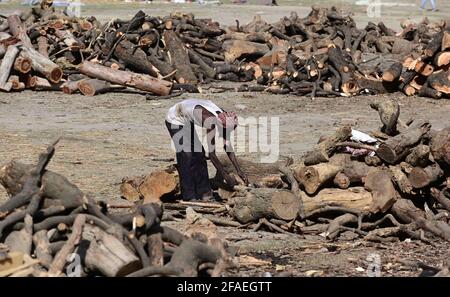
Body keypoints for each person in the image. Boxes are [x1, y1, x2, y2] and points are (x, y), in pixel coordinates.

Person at [165, 99, 248, 201]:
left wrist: (239, 170)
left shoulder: (224, 118)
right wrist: (226, 177)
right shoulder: (211, 121)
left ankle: (205, 193)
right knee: (186, 155)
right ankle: (188, 195)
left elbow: (227, 146)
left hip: (187, 117)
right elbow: (212, 155)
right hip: (175, 118)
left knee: (200, 153)